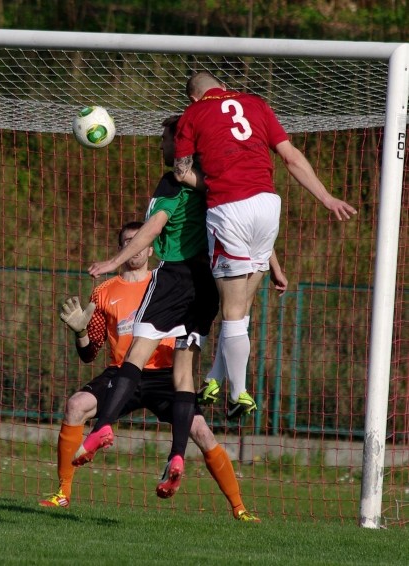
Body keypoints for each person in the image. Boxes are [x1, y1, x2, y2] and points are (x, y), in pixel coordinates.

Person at [39, 222, 259, 521]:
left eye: (140, 240)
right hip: (123, 373)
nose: (136, 246)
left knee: (202, 432)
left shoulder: (166, 281)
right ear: (122, 249)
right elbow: (89, 354)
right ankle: (63, 493)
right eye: (128, 241)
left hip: (166, 375)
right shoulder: (104, 292)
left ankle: (239, 507)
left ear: (151, 247)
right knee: (75, 406)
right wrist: (80, 332)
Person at [173, 71, 356, 419]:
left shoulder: (192, 115)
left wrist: (213, 182)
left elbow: (182, 171)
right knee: (240, 311)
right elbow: (291, 157)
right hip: (268, 205)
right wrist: (326, 197)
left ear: (194, 98)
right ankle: (214, 378)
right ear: (222, 88)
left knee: (230, 311)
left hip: (229, 208)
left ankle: (240, 393)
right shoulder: (257, 104)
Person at [81, 115, 219, 499]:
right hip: (210, 283)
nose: (160, 145)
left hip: (175, 276)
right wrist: (272, 267)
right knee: (185, 375)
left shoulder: (172, 181)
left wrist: (113, 260)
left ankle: (104, 426)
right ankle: (177, 455)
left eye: (164, 139)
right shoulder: (219, 179)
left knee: (135, 355)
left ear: (180, 141)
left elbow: (153, 227)